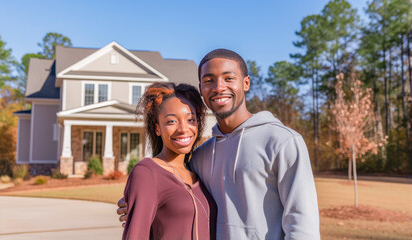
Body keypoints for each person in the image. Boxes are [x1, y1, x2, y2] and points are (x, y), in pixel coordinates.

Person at [118, 49, 320, 240]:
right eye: (209, 81)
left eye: (229, 78)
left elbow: (302, 225)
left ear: (246, 83)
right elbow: (170, 189)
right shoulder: (200, 156)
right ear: (201, 89)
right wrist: (137, 203)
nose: (219, 87)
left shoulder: (283, 142)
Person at [121, 82, 217, 240]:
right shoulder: (147, 172)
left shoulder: (197, 172)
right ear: (157, 128)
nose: (183, 129)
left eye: (190, 120)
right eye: (172, 121)